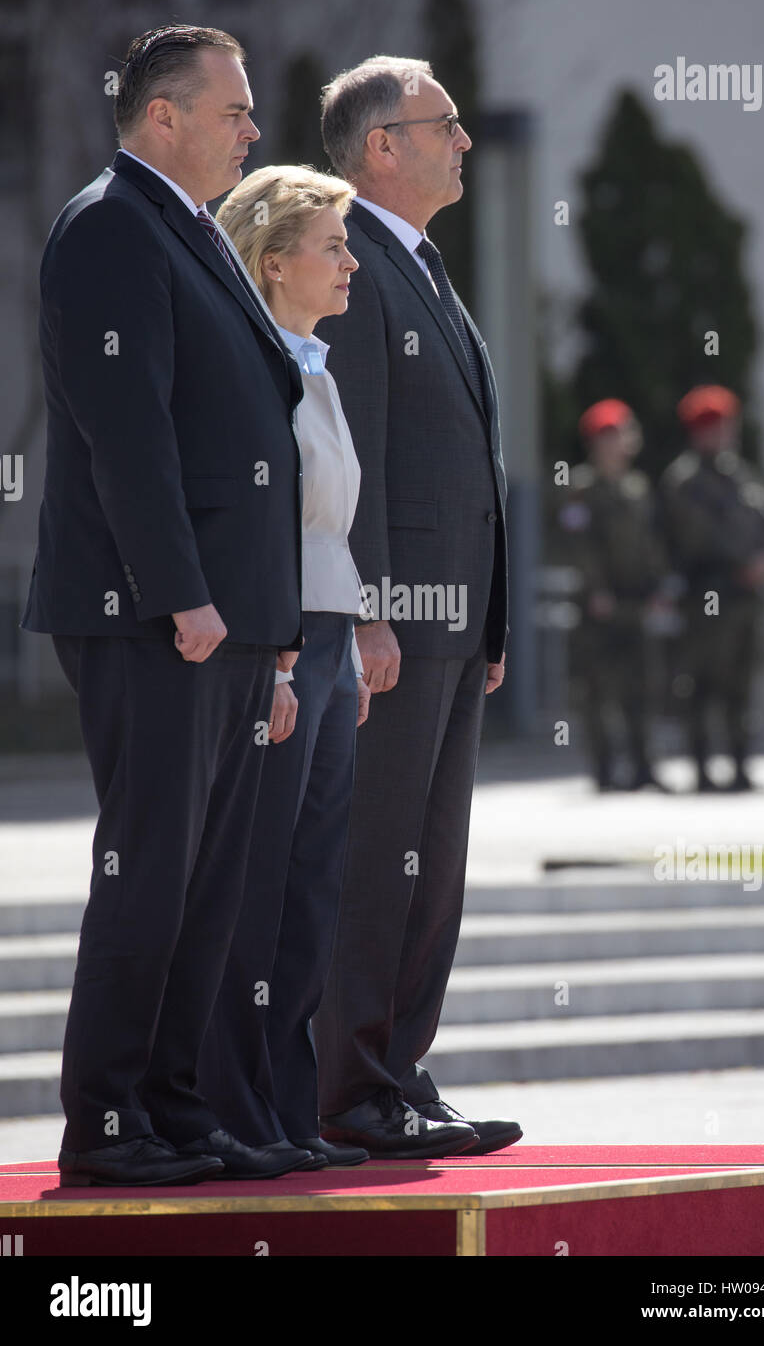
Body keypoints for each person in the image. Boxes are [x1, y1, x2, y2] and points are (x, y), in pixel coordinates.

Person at [21, 25, 315, 1186]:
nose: (252, 129)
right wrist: (183, 594)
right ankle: (108, 1125)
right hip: (158, 618)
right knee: (150, 867)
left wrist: (266, 628)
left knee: (211, 876)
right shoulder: (110, 226)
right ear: (161, 118)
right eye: (233, 110)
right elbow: (123, 433)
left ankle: (180, 1112)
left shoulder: (186, 228)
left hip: (229, 621)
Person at [311, 56, 521, 1158]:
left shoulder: (421, 264)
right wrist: (367, 612)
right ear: (382, 145)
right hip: (395, 627)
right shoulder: (352, 265)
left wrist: (487, 623)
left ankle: (398, 1072)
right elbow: (359, 461)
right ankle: (345, 1089)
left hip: (451, 625)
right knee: (379, 854)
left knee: (431, 865)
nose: (463, 141)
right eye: (444, 123)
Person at [197, 165, 379, 1167]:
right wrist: (274, 655)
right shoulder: (251, 361)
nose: (351, 261)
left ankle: (288, 1110)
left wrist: (346, 636)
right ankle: (232, 1109)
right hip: (277, 637)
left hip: (326, 634)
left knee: (310, 883)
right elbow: (257, 528)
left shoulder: (317, 363)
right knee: (255, 883)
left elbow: (327, 527)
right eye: (333, 246)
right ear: (274, 262)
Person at [658, 385, 764, 791]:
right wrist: (742, 562)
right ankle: (702, 768)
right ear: (697, 432)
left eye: (726, 426)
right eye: (713, 427)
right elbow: (696, 537)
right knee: (702, 683)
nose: (722, 435)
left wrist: (763, 558)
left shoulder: (739, 474)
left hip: (746, 598)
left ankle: (741, 766)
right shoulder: (684, 480)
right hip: (708, 597)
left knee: (741, 684)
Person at [556, 399, 670, 791]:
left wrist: (658, 587)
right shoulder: (581, 489)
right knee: (598, 689)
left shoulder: (637, 488)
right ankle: (605, 770)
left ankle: (643, 767)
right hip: (599, 606)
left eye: (621, 434)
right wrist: (597, 591)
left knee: (641, 685)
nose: (618, 443)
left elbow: (650, 544)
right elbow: (579, 546)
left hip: (636, 601)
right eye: (609, 437)